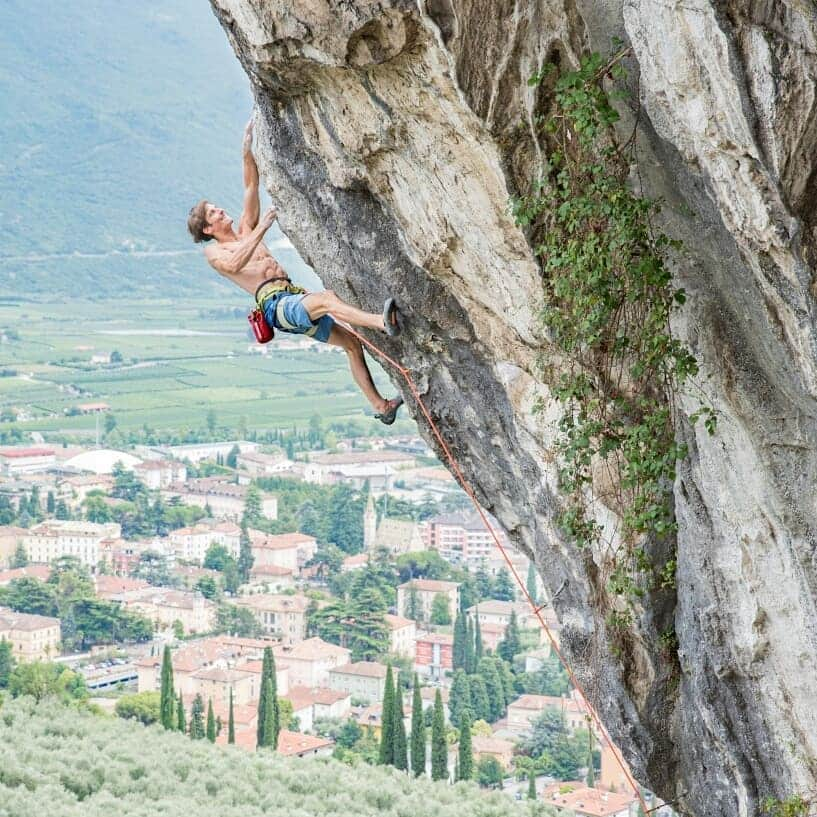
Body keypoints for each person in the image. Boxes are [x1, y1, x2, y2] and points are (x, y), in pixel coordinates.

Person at [186, 119, 403, 425]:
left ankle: (381, 407)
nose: (220, 210)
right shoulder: (216, 251)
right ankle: (382, 323)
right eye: (213, 212)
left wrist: (246, 150)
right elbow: (234, 266)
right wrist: (261, 229)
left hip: (291, 297)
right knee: (327, 299)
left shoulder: (245, 227)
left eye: (216, 207)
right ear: (208, 229)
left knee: (352, 345)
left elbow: (251, 184)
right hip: (276, 307)